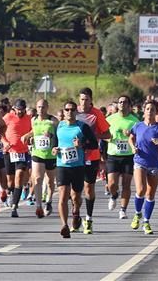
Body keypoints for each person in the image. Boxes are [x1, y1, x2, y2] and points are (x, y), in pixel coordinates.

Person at [53, 100, 97, 238]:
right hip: (62, 165)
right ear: (64, 111)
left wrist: (82, 144)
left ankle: (76, 212)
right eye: (67, 110)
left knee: (76, 196)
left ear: (76, 112)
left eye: (72, 110)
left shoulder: (82, 127)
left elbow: (94, 144)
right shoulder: (59, 126)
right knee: (63, 196)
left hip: (77, 166)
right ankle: (64, 225)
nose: (70, 112)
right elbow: (54, 144)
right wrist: (54, 149)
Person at [129, 101, 158, 235]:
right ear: (144, 111)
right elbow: (131, 138)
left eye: (152, 109)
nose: (149, 111)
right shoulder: (138, 126)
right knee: (140, 189)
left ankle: (146, 222)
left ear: (156, 112)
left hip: (154, 164)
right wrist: (133, 147)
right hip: (140, 161)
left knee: (150, 194)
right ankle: (137, 214)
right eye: (147, 109)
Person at [74, 88, 110, 234]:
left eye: (86, 99)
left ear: (91, 100)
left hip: (91, 156)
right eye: (81, 99)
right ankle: (76, 215)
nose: (83, 102)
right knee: (74, 192)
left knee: (88, 189)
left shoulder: (96, 114)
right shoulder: (72, 112)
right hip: (74, 156)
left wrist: (94, 135)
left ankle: (88, 219)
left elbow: (108, 134)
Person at [105, 95, 139, 220]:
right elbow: (102, 134)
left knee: (126, 184)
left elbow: (139, 137)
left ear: (129, 106)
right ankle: (114, 195)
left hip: (128, 156)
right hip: (113, 155)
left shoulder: (134, 121)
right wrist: (108, 137)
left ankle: (123, 209)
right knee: (112, 184)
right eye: (120, 102)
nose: (122, 104)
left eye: (125, 102)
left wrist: (131, 135)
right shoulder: (110, 119)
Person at [24, 99, 57, 218]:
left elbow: (59, 135)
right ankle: (38, 206)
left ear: (47, 107)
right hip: (37, 153)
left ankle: (49, 200)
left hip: (51, 155)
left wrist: (51, 136)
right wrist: (27, 136)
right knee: (37, 179)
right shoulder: (33, 120)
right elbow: (33, 131)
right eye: (38, 107)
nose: (40, 109)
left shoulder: (53, 121)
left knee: (50, 181)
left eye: (43, 107)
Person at [2, 99, 33, 218]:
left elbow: (34, 130)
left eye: (22, 110)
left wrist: (29, 135)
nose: (20, 112)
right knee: (10, 180)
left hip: (22, 152)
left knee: (19, 176)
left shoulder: (29, 118)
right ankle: (10, 193)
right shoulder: (8, 117)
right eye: (18, 110)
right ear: (14, 108)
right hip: (9, 151)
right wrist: (5, 142)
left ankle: (14, 206)